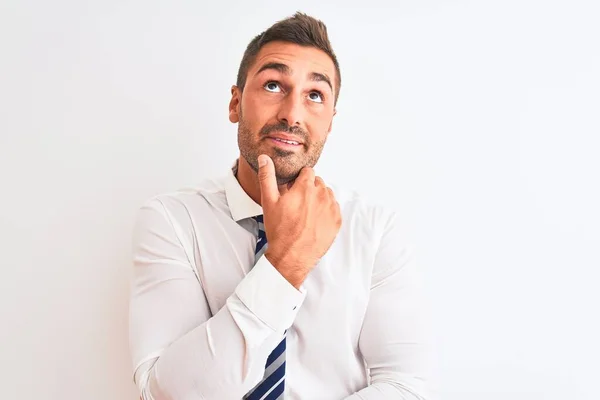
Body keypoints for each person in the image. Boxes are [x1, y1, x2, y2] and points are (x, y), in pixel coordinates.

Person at [129, 11, 431, 400]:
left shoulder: (373, 230)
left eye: (315, 95)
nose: (292, 114)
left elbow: (407, 386)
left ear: (331, 122)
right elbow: (165, 393)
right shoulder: (171, 221)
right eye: (273, 85)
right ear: (235, 103)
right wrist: (284, 266)